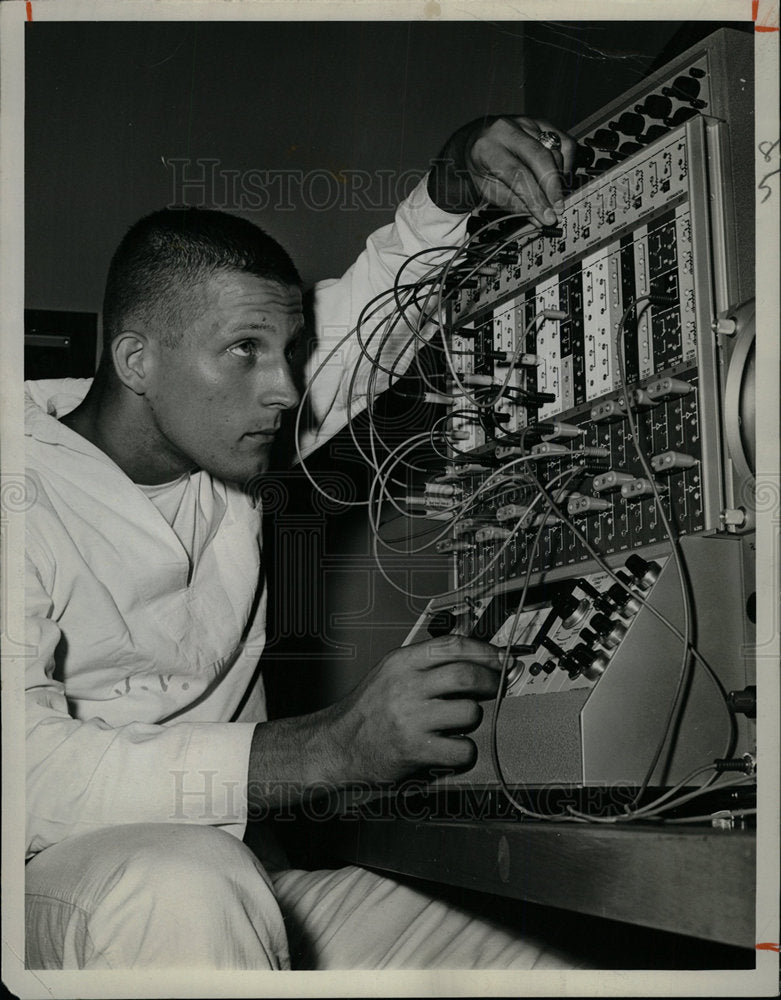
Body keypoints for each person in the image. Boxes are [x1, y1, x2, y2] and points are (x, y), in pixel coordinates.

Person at [24, 116, 579, 970]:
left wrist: (451, 182)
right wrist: (329, 749)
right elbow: (24, 777)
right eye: (246, 350)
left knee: (521, 945)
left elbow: (372, 313)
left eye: (286, 350)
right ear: (136, 360)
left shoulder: (217, 419)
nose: (285, 388)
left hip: (240, 869)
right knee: (182, 882)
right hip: (48, 880)